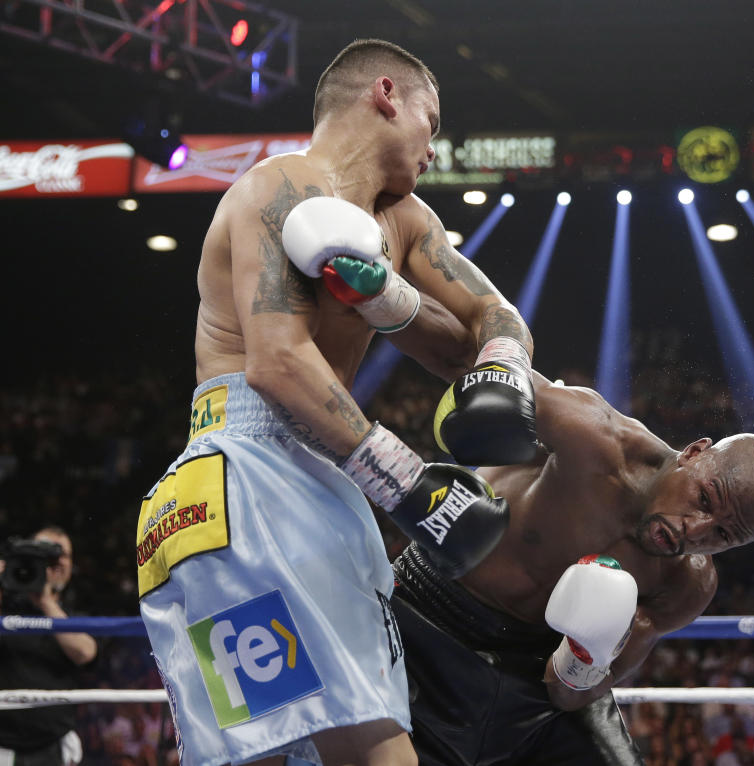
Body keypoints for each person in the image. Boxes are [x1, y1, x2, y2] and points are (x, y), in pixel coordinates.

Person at [135, 38, 537, 766]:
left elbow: (485, 329)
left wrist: (395, 302)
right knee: (356, 745)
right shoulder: (280, 184)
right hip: (251, 474)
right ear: (386, 94)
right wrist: (408, 484)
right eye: (431, 121)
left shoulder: (404, 222)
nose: (432, 147)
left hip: (291, 484)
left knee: (299, 747)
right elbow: (279, 363)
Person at [389, 370, 754, 766]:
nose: (695, 530)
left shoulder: (687, 584)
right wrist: (394, 304)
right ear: (693, 452)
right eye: (705, 499)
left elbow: (577, 693)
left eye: (722, 535)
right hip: (427, 612)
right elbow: (473, 360)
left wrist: (581, 661)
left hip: (536, 672)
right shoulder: (592, 436)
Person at [0, 527, 98, 766]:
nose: (56, 561)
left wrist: (44, 600)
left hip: (52, 746)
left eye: (62, 554)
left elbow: (85, 653)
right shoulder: (5, 610)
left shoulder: (74, 617)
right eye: (44, 554)